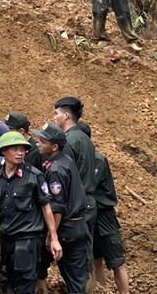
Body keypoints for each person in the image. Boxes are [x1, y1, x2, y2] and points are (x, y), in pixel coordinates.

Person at [0, 131, 62, 294]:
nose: (20, 153)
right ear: (4, 151)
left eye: (22, 149)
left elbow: (46, 207)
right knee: (4, 285)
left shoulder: (34, 177)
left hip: (26, 241)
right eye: (15, 149)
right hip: (2, 241)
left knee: (25, 287)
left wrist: (54, 238)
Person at [32, 123, 91, 294]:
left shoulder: (55, 170)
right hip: (79, 225)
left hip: (64, 229)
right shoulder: (66, 161)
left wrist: (53, 235)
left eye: (43, 141)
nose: (38, 144)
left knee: (39, 265)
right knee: (77, 282)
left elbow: (57, 207)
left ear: (54, 146)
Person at [75, 123, 130, 294]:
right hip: (90, 215)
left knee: (116, 261)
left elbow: (87, 185)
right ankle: (101, 290)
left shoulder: (96, 159)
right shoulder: (81, 160)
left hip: (104, 215)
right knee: (95, 259)